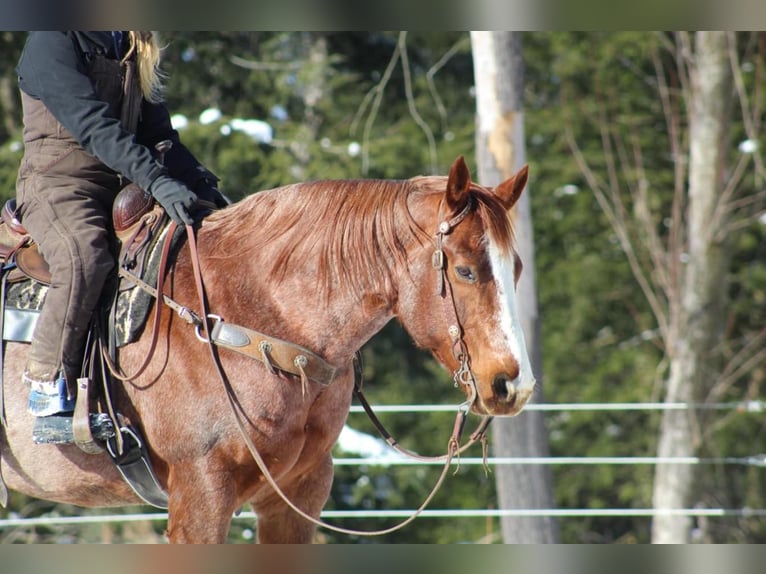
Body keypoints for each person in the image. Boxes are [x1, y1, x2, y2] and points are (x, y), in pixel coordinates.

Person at [14, 31, 227, 429]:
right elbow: (93, 126)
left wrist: (205, 191)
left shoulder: (132, 43)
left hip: (124, 184)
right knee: (85, 256)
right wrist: (156, 181)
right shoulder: (52, 38)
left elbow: (158, 136)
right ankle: (47, 386)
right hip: (57, 184)